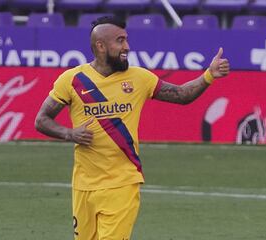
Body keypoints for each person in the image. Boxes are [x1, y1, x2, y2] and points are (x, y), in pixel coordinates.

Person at [35, 16, 229, 240]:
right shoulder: (72, 80)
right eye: (120, 41)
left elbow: (181, 95)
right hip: (83, 185)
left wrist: (208, 76)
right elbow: (42, 120)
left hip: (122, 183)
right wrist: (69, 133)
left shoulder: (138, 78)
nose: (127, 46)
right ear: (101, 46)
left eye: (126, 40)